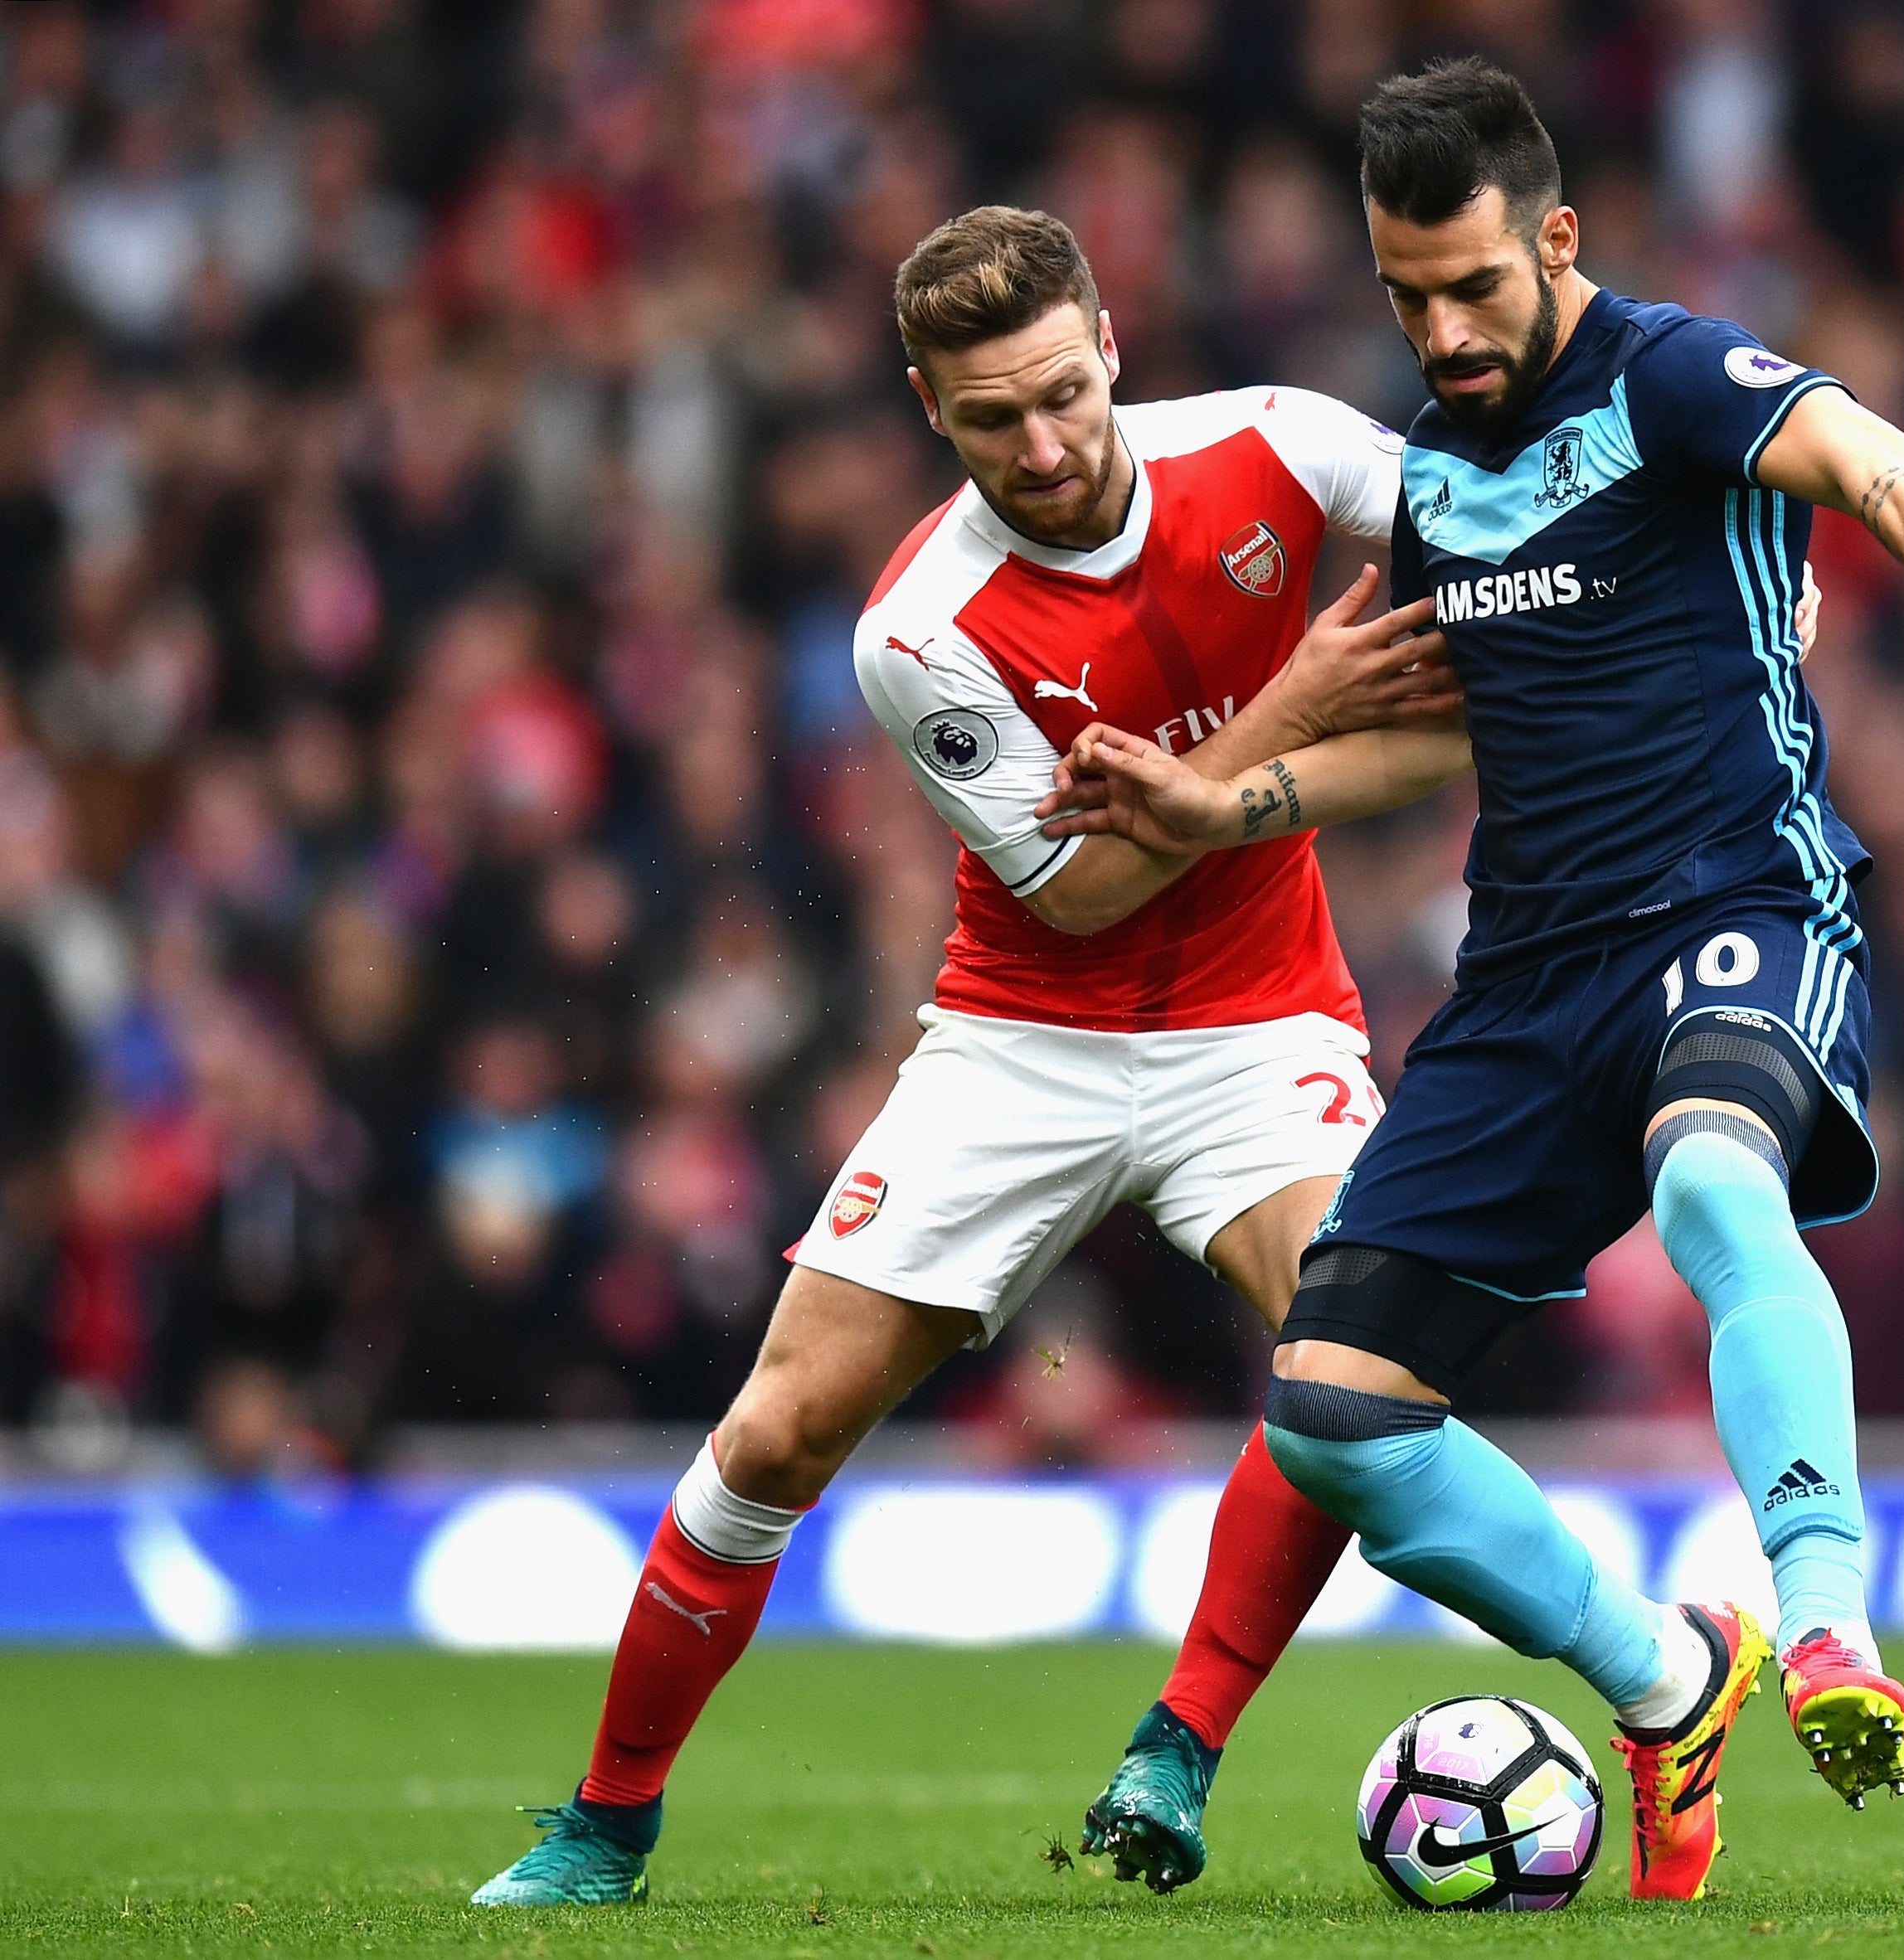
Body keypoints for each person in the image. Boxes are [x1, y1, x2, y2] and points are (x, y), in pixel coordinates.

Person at [1041, 59, 1904, 1903]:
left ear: (1558, 239)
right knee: (1334, 1417)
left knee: (1709, 1175)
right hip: (1525, 979)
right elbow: (1425, 737)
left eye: (1472, 287)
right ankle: (1666, 1679)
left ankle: (1828, 1621)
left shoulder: (1670, 374)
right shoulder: (1435, 473)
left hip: (1729, 906)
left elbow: (1876, 461)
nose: (1441, 330)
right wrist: (1213, 805)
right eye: (1403, 297)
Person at [469, 204, 1462, 1906]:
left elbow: (1511, 526)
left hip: (1260, 1023)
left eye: (1064, 392)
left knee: (1355, 1367)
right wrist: (1301, 698)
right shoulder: (920, 625)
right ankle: (603, 1823)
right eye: (994, 416)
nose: (1047, 442)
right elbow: (1083, 888)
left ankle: (1180, 1747)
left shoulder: (1285, 450)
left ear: (1110, 348)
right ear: (929, 405)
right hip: (1023, 1040)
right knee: (776, 1434)